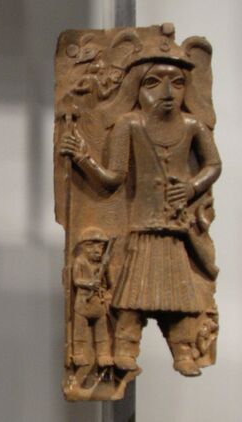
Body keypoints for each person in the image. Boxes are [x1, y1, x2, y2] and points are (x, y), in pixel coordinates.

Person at [60, 36, 221, 376]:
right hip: (142, 227)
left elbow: (213, 165)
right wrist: (83, 158)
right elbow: (113, 178)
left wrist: (192, 187)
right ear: (136, 86)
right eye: (153, 82)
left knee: (179, 296)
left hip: (176, 228)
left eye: (177, 83)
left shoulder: (192, 127)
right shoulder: (129, 125)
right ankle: (124, 349)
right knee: (133, 295)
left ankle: (182, 351)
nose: (167, 92)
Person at [71, 227, 113, 368]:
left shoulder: (102, 264)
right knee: (80, 330)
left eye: (100, 247)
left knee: (102, 331)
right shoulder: (80, 261)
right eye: (91, 247)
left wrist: (106, 269)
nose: (97, 251)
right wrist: (90, 284)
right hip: (83, 302)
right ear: (84, 247)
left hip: (98, 303)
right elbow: (77, 280)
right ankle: (78, 353)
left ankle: (103, 355)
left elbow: (110, 283)